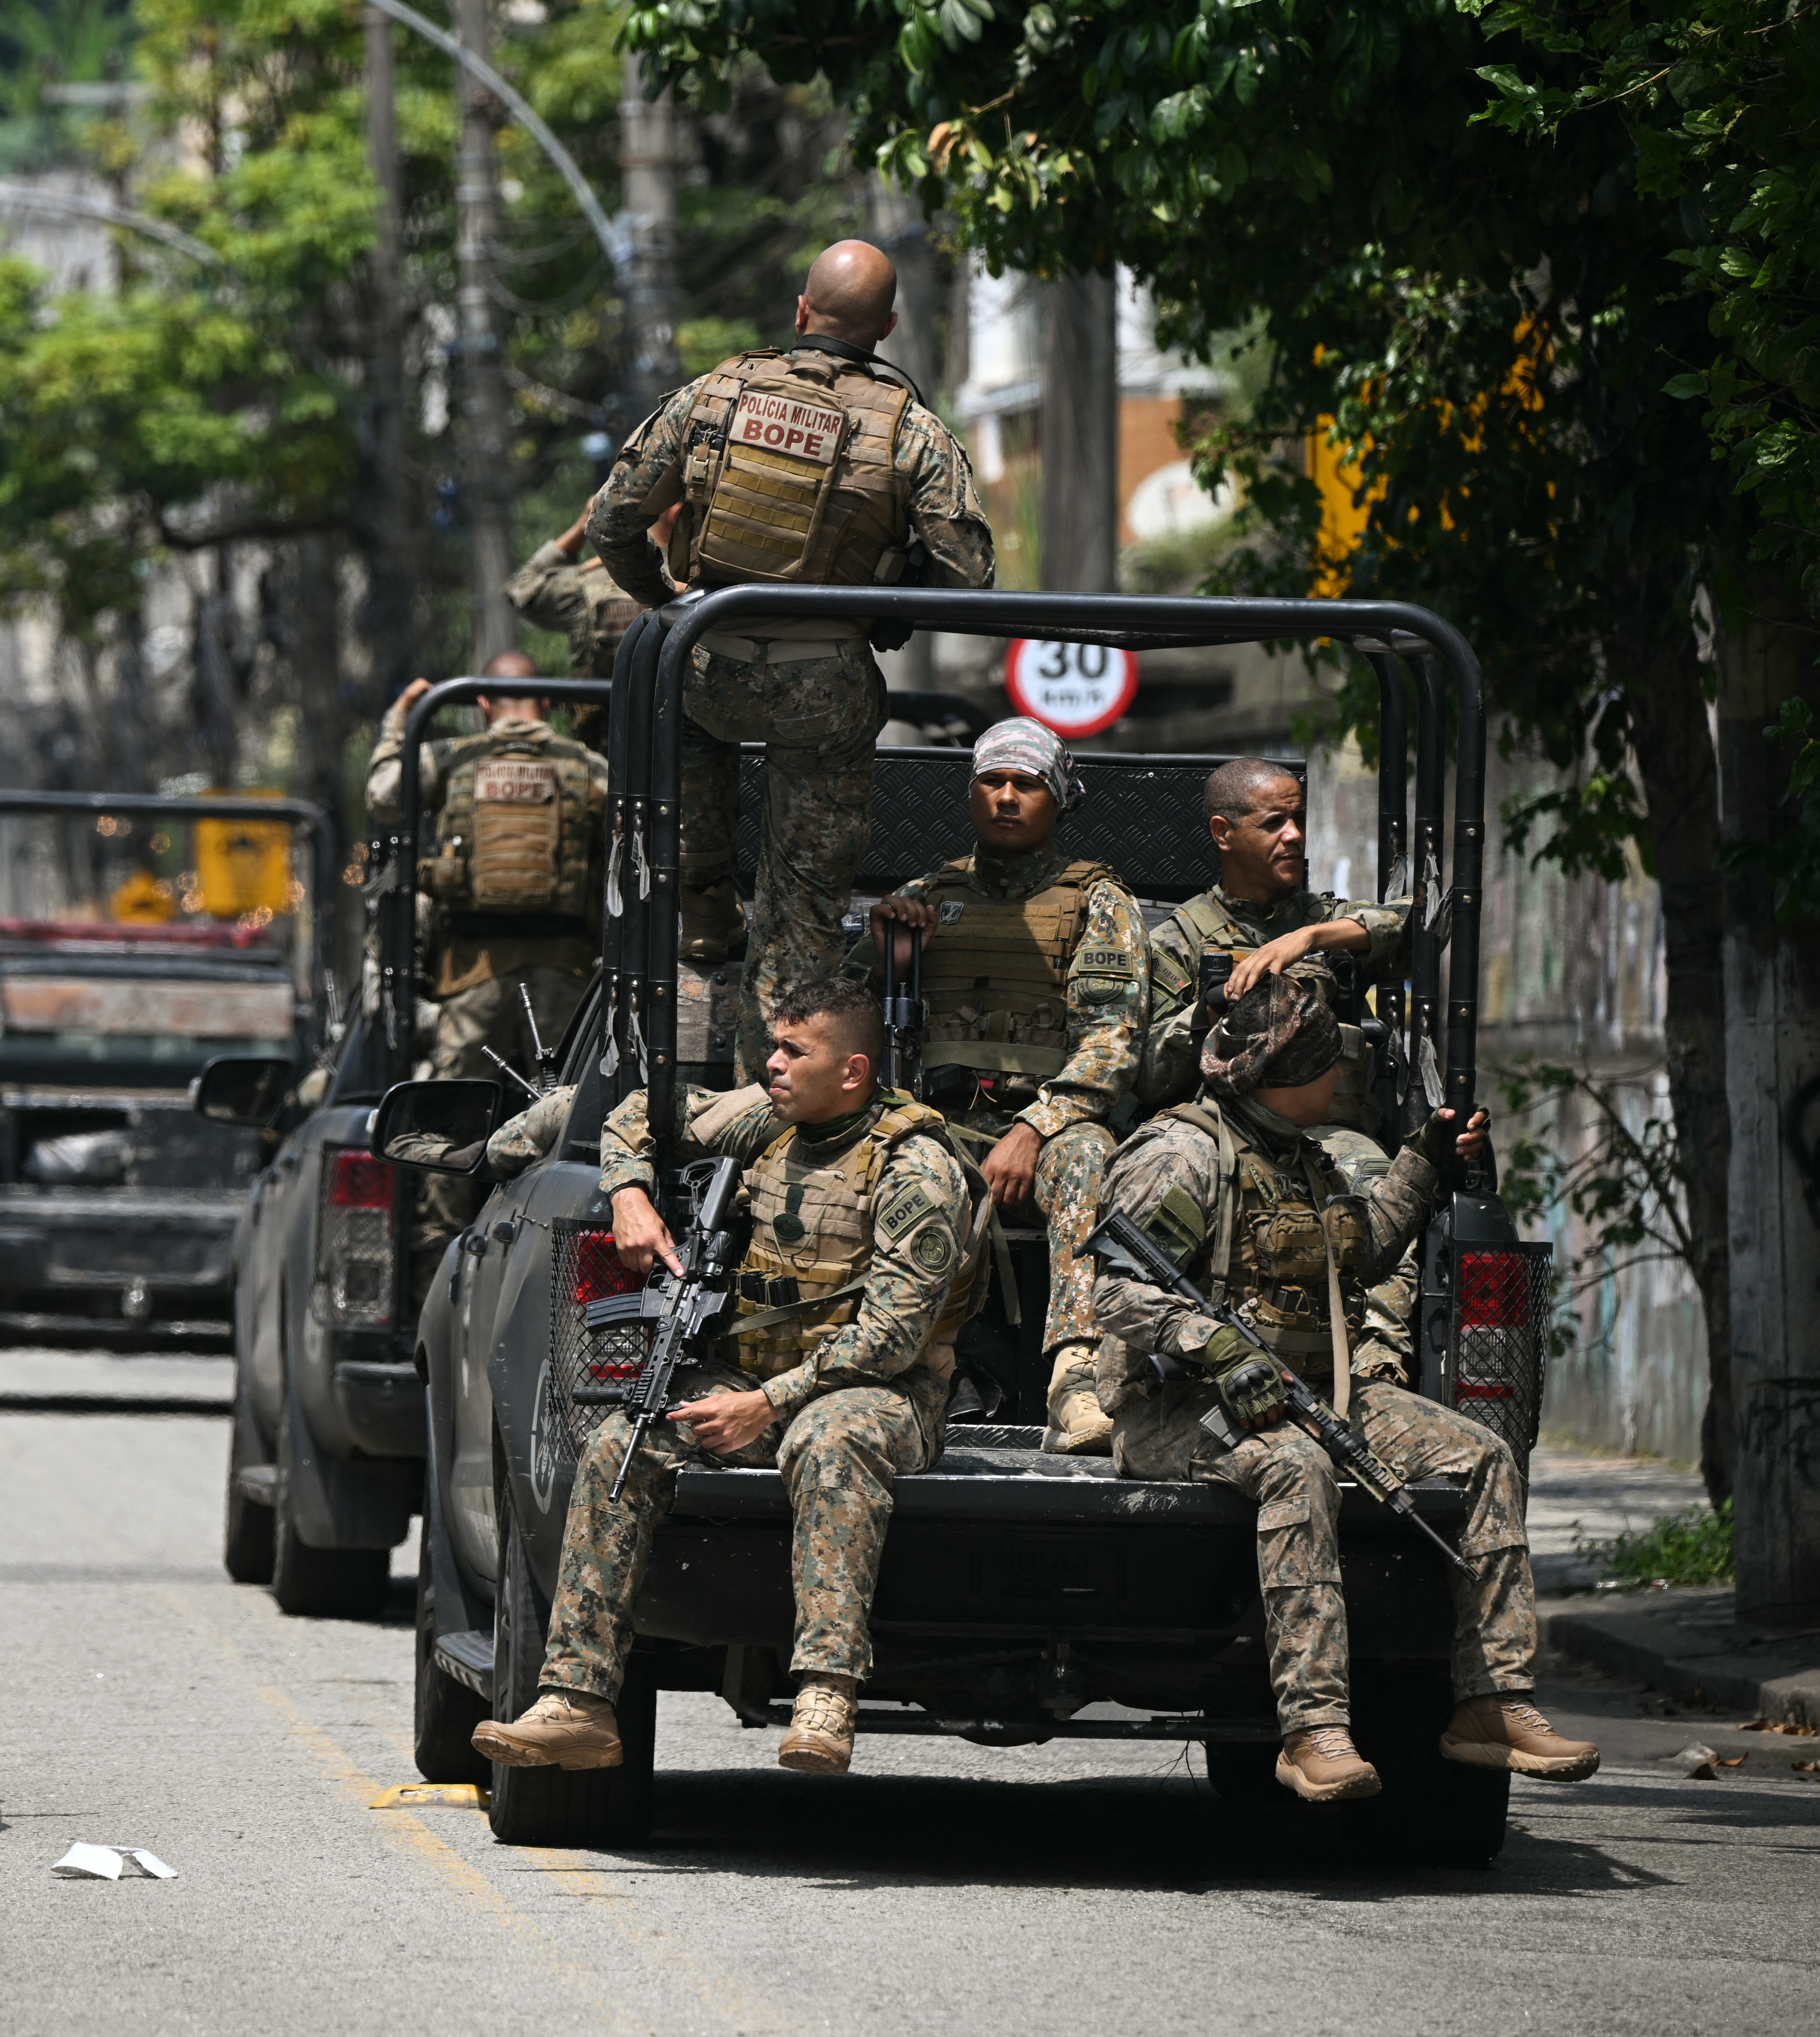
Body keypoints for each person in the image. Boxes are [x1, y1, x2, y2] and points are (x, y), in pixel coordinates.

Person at [1088, 964, 1599, 1801]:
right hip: (1180, 1408)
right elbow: (1115, 1290)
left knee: (1482, 1457)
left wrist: (1423, 1161)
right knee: (1298, 1468)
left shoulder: (1300, 1158)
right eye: (1329, 1061)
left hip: (1312, 1390)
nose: (1342, 1075)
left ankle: (1492, 1700)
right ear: (1288, 1074)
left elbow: (1361, 1248)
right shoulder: (1183, 1153)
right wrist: (1214, 1345)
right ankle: (1313, 1727)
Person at [472, 977, 986, 1779]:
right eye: (773, 1047)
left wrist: (766, 1403)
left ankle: (825, 1691)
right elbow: (636, 1109)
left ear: (852, 1071)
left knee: (832, 1437)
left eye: (792, 1052)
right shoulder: (767, 1124)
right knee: (620, 1440)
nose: (771, 1065)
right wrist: (630, 1194)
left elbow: (891, 1337)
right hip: (752, 1386)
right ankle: (577, 1702)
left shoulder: (913, 1167)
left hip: (879, 1395)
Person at [586, 238, 995, 1077]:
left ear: (801, 313)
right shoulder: (907, 429)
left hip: (700, 672)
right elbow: (971, 575)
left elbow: (612, 522)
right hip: (822, 689)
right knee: (802, 904)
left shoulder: (713, 396)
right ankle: (771, 1085)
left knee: (680, 791)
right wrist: (889, 593)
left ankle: (698, 906)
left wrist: (666, 604)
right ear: (886, 327)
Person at [853, 718, 1144, 1450]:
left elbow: (1111, 1039)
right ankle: (910, 1373)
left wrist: (1033, 1128)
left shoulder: (1095, 899)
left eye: (1026, 783)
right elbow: (831, 1027)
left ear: (1057, 798)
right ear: (970, 791)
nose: (1007, 797)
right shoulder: (923, 895)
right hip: (935, 1118)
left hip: (1046, 1124)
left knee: (1086, 1155)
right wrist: (888, 960)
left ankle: (1075, 1381)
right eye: (992, 780)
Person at [1141, 756, 1418, 1366]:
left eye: (1297, 820)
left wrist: (1310, 939)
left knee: (1372, 1179)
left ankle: (1373, 1359)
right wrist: (1204, 1012)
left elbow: (1414, 924)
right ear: (1224, 833)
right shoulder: (1178, 940)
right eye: (1273, 823)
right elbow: (1146, 1074)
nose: (1293, 835)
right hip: (1217, 1138)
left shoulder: (1320, 920)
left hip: (1322, 1135)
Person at [366, 652, 610, 1285]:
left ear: (483, 703)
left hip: (469, 976)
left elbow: (384, 798)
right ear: (547, 701)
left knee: (446, 1112)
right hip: (565, 973)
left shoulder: (451, 759)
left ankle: (437, 1269)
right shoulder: (586, 766)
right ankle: (545, 1254)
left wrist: (399, 722)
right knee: (562, 1110)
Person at [505, 502, 682, 679]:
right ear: (677, 513)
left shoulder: (589, 582)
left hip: (610, 705)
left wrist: (582, 526)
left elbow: (521, 589)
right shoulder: (698, 586)